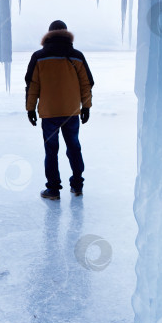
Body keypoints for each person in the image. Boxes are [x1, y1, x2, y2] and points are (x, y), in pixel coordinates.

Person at [25, 20, 94, 200]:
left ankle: (53, 189)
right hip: (71, 112)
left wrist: (30, 109)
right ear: (66, 33)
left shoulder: (39, 57)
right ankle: (77, 186)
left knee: (51, 151)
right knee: (74, 148)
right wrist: (86, 106)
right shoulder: (76, 56)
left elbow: (32, 86)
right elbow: (86, 84)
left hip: (49, 113)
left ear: (48, 34)